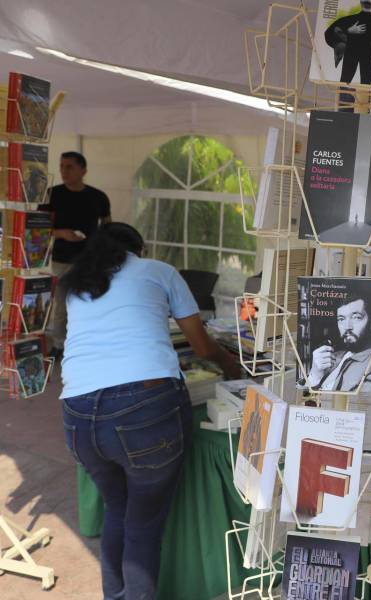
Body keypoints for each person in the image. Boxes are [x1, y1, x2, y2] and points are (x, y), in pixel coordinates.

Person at [59, 223, 240, 600]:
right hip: (142, 409)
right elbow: (202, 346)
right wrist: (230, 363)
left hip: (77, 415)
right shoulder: (158, 271)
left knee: (117, 510)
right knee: (142, 525)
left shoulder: (78, 287)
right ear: (138, 249)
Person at [39, 151, 112, 356]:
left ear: (83, 170)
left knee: (90, 303)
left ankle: (88, 344)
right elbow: (37, 231)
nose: (64, 171)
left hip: (91, 260)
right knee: (62, 306)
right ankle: (59, 345)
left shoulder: (98, 197)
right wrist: (61, 233)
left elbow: (108, 227)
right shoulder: (51, 195)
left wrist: (104, 251)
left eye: (69, 167)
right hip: (62, 259)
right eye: (62, 166)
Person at [306, 293, 371, 392]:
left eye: (356, 317)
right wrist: (315, 375)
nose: (347, 327)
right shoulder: (334, 356)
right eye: (341, 319)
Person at [324, 0, 371, 86]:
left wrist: (348, 31)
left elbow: (328, 33)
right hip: (368, 60)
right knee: (365, 89)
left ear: (361, 4)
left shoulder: (349, 19)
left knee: (344, 85)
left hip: (350, 57)